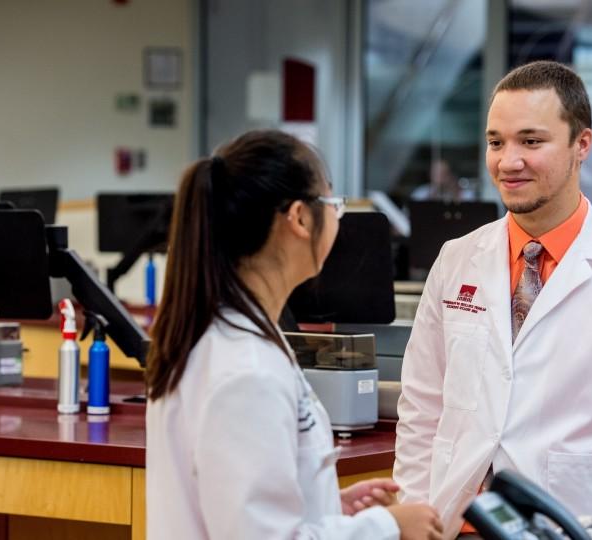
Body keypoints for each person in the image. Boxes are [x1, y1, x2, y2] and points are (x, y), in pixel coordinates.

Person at [394, 60, 592, 537]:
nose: (508, 161)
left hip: (573, 525)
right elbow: (422, 407)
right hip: (451, 525)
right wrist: (413, 511)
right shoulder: (456, 260)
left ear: (582, 145)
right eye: (496, 142)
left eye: (531, 141)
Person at [145, 130, 443, 539]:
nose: (337, 218)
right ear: (300, 218)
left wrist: (325, 507)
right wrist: (385, 526)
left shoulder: (236, 338)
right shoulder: (246, 372)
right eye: (333, 204)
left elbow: (239, 507)